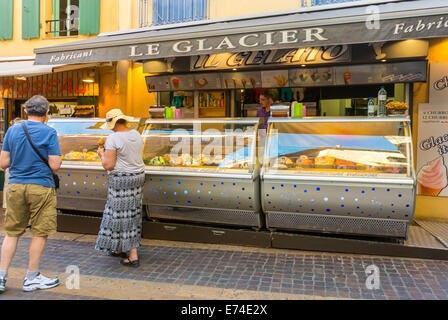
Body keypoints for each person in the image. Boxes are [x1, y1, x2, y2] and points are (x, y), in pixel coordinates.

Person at [0, 95, 62, 293]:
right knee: (40, 232)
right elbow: (55, 165)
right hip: (41, 187)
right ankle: (32, 277)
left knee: (12, 232)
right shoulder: (49, 132)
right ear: (46, 113)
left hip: (16, 185)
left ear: (25, 111)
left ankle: (1, 276)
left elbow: (3, 163)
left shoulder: (12, 130)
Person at [95, 109, 145, 268]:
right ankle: (118, 248)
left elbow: (108, 165)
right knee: (131, 213)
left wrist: (101, 155)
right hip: (137, 178)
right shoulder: (136, 134)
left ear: (114, 123)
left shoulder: (114, 138)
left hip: (121, 180)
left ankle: (133, 255)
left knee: (121, 215)